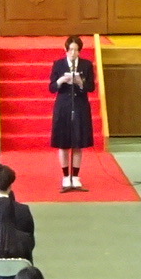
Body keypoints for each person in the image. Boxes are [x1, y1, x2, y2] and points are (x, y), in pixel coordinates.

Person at [48, 36, 95, 192]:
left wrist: (80, 82)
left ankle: (75, 176)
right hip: (63, 105)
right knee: (63, 141)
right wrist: (61, 80)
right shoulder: (58, 64)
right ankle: (65, 176)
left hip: (80, 105)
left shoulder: (86, 65)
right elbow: (51, 87)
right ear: (66, 49)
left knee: (77, 141)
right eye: (71, 50)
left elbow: (91, 87)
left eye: (76, 50)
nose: (73, 53)